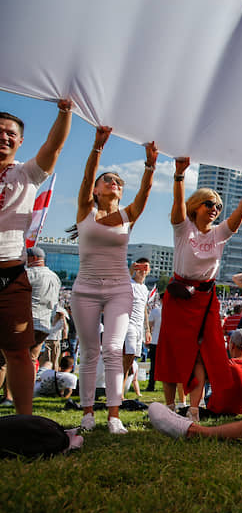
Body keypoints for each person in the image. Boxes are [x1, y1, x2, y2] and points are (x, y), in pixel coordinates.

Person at [157, 157, 242, 422]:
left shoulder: (218, 234)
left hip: (205, 298)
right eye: (209, 204)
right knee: (171, 351)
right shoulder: (184, 229)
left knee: (202, 354)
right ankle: (170, 407)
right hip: (179, 296)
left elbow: (236, 220)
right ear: (195, 207)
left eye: (218, 206)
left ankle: (194, 408)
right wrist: (179, 177)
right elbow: (177, 207)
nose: (215, 209)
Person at [70, 127, 157, 434]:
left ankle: (114, 416)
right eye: (108, 180)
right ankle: (87, 413)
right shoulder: (85, 212)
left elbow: (145, 195)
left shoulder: (126, 216)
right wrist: (97, 148)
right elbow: (85, 178)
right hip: (85, 291)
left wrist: (150, 166)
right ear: (95, 190)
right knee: (90, 350)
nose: (114, 183)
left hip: (119, 290)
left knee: (113, 349)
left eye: (119, 182)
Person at [0, 99, 71, 415]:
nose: (4, 137)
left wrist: (65, 112)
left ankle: (24, 421)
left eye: (10, 133)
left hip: (11, 275)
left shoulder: (27, 173)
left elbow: (53, 148)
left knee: (18, 352)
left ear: (20, 141)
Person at [205, 329, 242, 416]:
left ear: (232, 345)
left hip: (219, 409)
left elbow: (206, 380)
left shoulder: (224, 366)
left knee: (208, 383)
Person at [25, 246, 62, 371]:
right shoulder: (55, 277)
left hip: (28, 321)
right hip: (44, 325)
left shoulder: (29, 273)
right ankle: (27, 390)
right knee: (31, 359)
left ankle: (10, 390)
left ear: (34, 258)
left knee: (8, 360)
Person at [123, 258, 151, 399]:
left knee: (131, 359)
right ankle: (119, 392)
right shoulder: (129, 284)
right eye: (140, 268)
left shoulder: (145, 288)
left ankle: (120, 390)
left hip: (139, 326)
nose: (143, 271)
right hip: (128, 324)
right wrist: (130, 271)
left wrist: (147, 329)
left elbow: (145, 309)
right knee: (127, 356)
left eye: (146, 268)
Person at [145, 293, 163, 392]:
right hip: (165, 343)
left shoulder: (156, 311)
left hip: (155, 341)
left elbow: (150, 324)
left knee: (153, 366)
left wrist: (149, 333)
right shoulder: (172, 311)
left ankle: (151, 385)